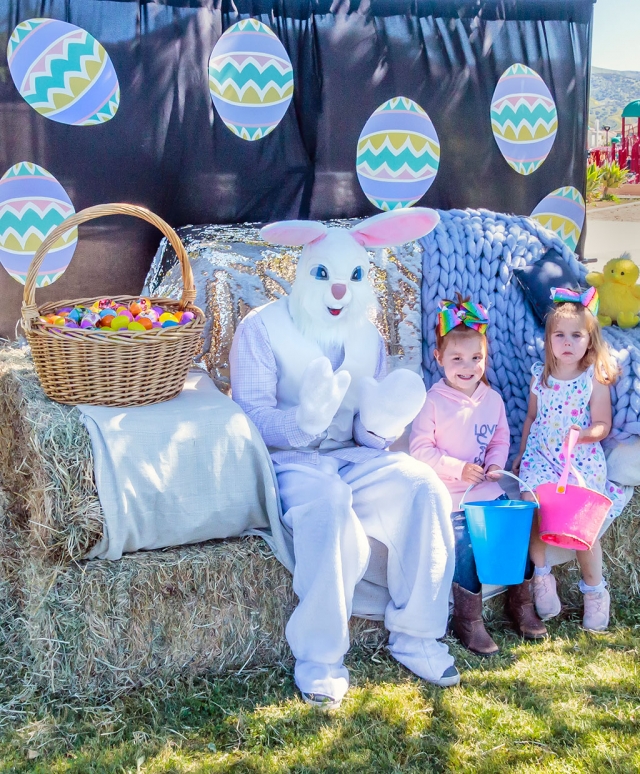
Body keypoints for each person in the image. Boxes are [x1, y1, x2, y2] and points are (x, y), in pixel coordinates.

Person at [230, 209, 460, 710]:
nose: (339, 291)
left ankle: (418, 632)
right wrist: (303, 423)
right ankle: (320, 657)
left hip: (351, 457)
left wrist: (379, 424)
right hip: (288, 462)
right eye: (324, 276)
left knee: (422, 484)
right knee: (330, 502)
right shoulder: (262, 328)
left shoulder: (369, 337)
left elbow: (365, 436)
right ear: (303, 273)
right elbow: (249, 420)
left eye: (352, 277)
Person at [410, 296, 546, 654]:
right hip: (451, 494)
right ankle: (469, 620)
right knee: (465, 547)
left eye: (476, 358)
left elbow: (501, 437)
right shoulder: (432, 401)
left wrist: (496, 464)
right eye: (457, 359)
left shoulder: (493, 399)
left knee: (515, 534)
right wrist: (458, 468)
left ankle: (522, 604)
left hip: (488, 490)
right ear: (438, 358)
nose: (467, 366)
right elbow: (420, 449)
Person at [512, 287, 626, 631]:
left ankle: (595, 591)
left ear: (589, 341)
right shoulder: (540, 375)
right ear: (548, 341)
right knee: (531, 504)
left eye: (576, 335)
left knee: (581, 525)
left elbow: (602, 425)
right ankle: (542, 576)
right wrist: (520, 456)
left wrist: (582, 434)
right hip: (540, 455)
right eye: (559, 335)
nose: (567, 342)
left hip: (577, 458)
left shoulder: (592, 378)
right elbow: (531, 419)